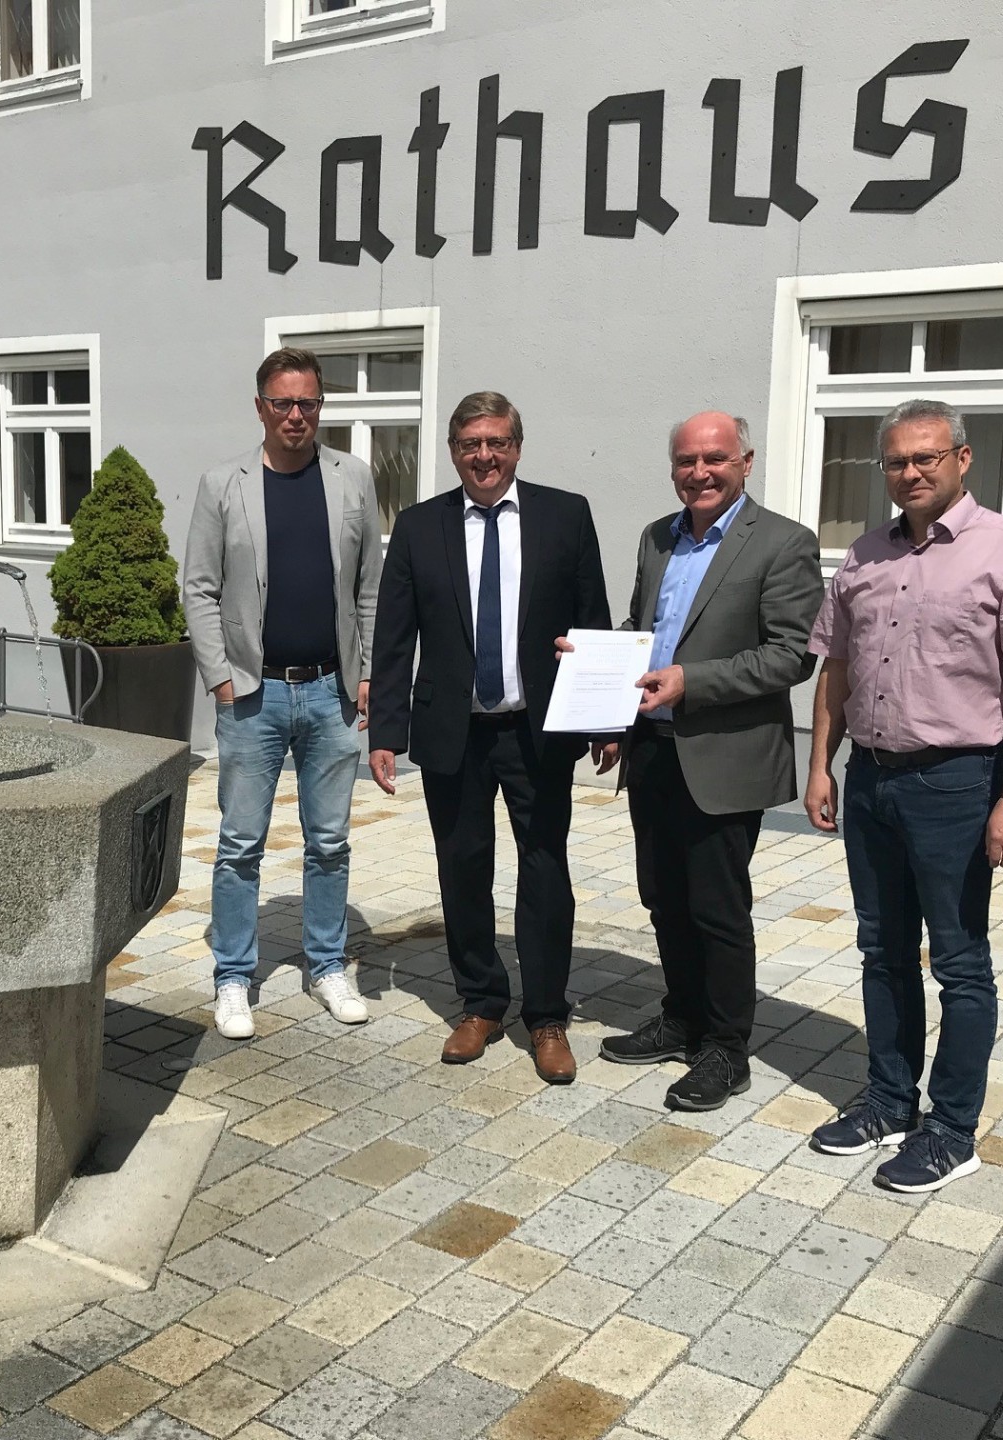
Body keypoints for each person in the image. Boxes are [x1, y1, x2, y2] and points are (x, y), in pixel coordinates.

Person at [804, 397, 1003, 1193]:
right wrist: (822, 764)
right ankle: (889, 1102)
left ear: (963, 459)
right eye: (895, 461)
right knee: (880, 949)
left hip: (957, 783)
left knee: (959, 963)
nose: (910, 472)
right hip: (871, 780)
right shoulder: (864, 555)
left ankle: (953, 1130)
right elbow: (837, 669)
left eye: (926, 457)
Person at [368, 392, 611, 1084]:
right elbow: (394, 637)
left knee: (544, 868)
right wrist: (386, 729)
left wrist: (603, 720)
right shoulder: (419, 526)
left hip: (537, 732)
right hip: (454, 733)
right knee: (463, 867)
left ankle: (547, 1016)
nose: (485, 456)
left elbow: (590, 619)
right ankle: (480, 1001)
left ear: (517, 446)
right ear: (454, 451)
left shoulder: (566, 515)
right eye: (472, 443)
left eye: (498, 442)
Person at [584, 412, 823, 1111]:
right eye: (686, 461)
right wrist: (603, 686)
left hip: (724, 756)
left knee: (716, 907)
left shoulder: (784, 543)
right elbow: (643, 632)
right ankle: (681, 1018)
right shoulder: (658, 538)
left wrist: (691, 681)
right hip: (654, 748)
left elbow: (791, 654)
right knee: (662, 895)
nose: (700, 473)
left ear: (746, 461)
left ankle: (725, 1047)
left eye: (715, 459)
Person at [183, 348, 384, 1040]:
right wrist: (219, 674)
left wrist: (367, 672)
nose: (296, 415)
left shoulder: (353, 479)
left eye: (308, 403)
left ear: (320, 407)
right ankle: (234, 976)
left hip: (330, 692)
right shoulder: (223, 484)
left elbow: (369, 588)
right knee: (241, 843)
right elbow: (199, 588)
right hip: (251, 695)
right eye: (283, 403)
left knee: (329, 842)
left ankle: (328, 963)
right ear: (261, 406)